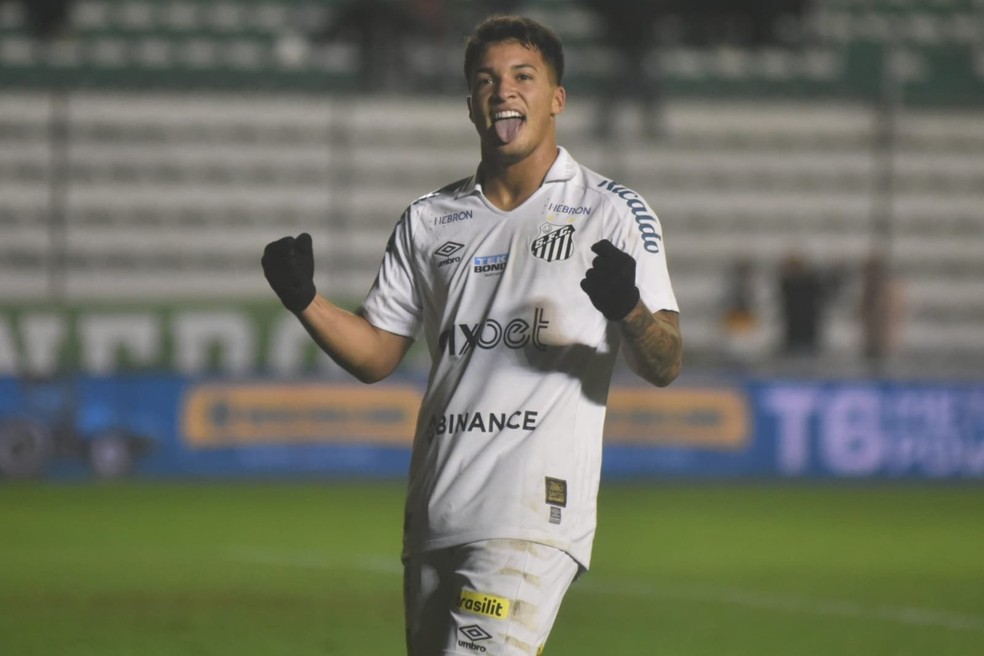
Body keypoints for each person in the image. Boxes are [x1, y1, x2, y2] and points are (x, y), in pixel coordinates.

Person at [262, 15, 682, 655]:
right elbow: (377, 354)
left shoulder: (612, 211)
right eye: (486, 80)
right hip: (437, 511)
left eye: (522, 76)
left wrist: (628, 307)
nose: (503, 90)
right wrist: (305, 302)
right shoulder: (429, 220)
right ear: (469, 104)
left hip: (532, 514)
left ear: (557, 98)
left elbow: (666, 361)